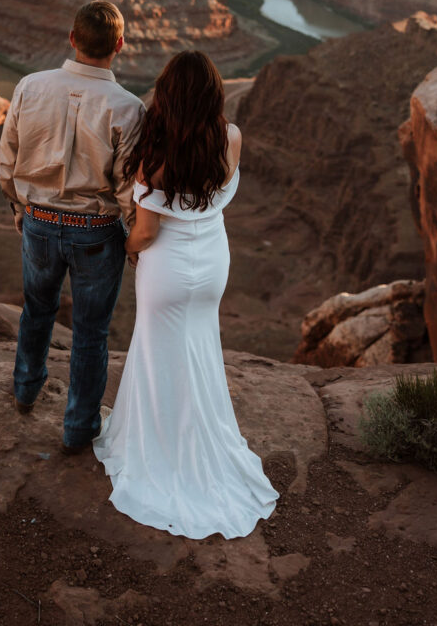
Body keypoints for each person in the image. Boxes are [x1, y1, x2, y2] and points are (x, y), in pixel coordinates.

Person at [93, 50, 280, 538]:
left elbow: (147, 234)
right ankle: (201, 434)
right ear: (214, 96)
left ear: (168, 97)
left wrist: (125, 246)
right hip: (212, 262)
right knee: (199, 348)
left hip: (167, 268)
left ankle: (159, 447)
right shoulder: (231, 138)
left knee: (158, 355)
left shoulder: (154, 154)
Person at [0, 0, 145, 454]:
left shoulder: (30, 86)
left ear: (73, 38)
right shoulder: (129, 107)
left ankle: (25, 390)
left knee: (36, 310)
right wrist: (135, 235)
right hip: (97, 232)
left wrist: (18, 205)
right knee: (90, 333)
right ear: (119, 46)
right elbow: (127, 187)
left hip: (39, 223)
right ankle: (78, 428)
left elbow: (8, 157)